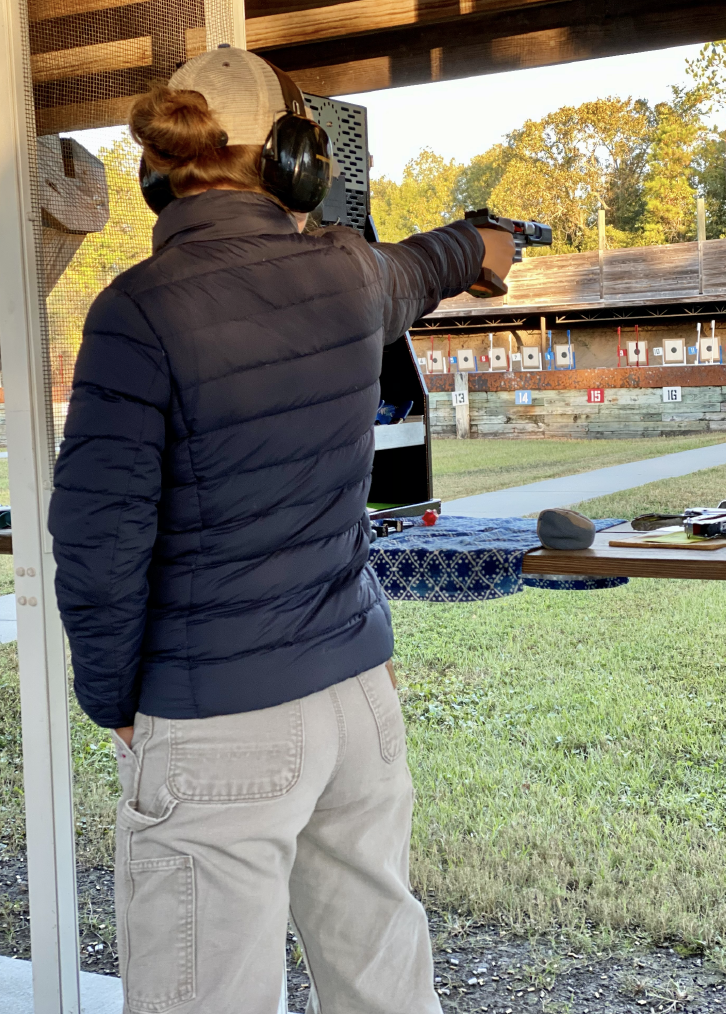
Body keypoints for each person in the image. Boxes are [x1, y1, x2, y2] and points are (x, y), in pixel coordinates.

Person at [49, 47, 515, 1014]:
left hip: (216, 715)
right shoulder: (348, 273)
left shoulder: (136, 310)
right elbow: (426, 265)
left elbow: (97, 546)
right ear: (297, 162)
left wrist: (115, 703)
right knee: (382, 978)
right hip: (357, 700)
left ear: (159, 171)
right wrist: (481, 248)